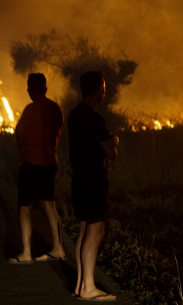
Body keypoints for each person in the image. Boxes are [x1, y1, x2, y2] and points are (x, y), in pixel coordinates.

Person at [68, 71, 119, 301]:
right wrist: (114, 143)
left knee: (84, 229)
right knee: (96, 230)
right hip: (93, 180)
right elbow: (111, 152)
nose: (104, 92)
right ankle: (89, 287)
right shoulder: (95, 119)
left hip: (78, 179)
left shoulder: (74, 115)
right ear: (99, 90)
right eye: (104, 88)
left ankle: (80, 284)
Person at [8, 73, 66, 264]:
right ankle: (58, 248)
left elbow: (20, 134)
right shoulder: (56, 108)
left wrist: (23, 151)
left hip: (32, 162)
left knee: (24, 206)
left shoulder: (30, 109)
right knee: (49, 204)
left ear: (30, 90)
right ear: (46, 89)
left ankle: (26, 252)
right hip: (50, 161)